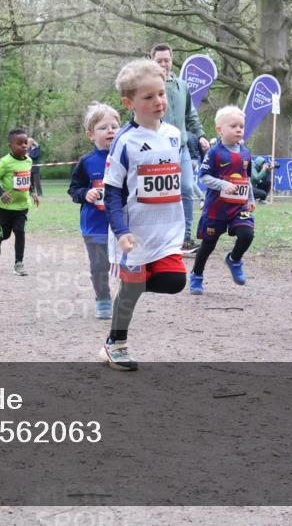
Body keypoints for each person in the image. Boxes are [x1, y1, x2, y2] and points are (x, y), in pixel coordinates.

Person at [100, 59, 187, 371]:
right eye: (148, 97)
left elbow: (174, 181)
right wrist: (121, 230)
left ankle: (130, 286)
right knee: (133, 290)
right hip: (133, 235)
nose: (158, 101)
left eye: (161, 94)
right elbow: (112, 193)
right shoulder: (125, 141)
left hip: (166, 231)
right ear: (129, 103)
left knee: (175, 281)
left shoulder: (175, 135)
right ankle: (115, 343)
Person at [151, 43, 211, 255]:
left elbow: (191, 115)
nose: (164, 64)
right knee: (163, 194)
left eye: (167, 60)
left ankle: (185, 238)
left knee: (186, 189)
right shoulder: (148, 88)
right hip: (159, 151)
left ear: (172, 60)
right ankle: (162, 239)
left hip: (182, 148)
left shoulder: (182, 85)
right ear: (153, 62)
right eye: (159, 61)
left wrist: (202, 135)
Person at [189, 106, 256, 294]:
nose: (238, 130)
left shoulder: (246, 153)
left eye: (241, 126)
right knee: (208, 245)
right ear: (220, 129)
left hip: (239, 206)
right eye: (233, 126)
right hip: (216, 208)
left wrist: (250, 199)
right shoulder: (214, 153)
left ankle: (234, 260)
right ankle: (196, 275)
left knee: (247, 234)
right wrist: (223, 185)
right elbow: (203, 177)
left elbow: (247, 179)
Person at [68, 103, 120, 318]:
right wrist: (86, 193)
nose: (110, 131)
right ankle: (103, 299)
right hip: (94, 225)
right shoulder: (87, 162)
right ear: (91, 135)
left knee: (127, 265)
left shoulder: (127, 157)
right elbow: (74, 189)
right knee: (99, 266)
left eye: (114, 126)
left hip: (121, 226)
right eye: (103, 127)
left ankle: (125, 299)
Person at [0, 130, 42, 276]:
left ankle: (19, 263)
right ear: (10, 145)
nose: (24, 146)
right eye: (19, 143)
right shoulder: (5, 162)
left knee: (20, 231)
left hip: (22, 206)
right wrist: (1, 194)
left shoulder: (29, 160)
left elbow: (28, 177)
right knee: (5, 234)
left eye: (25, 143)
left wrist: (32, 192)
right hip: (5, 207)